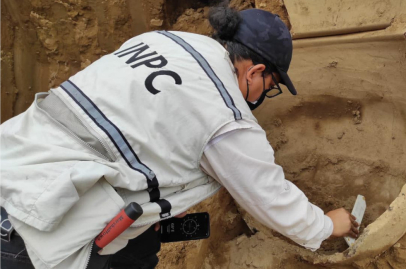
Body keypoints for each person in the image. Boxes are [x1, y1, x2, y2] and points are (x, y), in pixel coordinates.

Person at [0, 5, 358, 269]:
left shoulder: (159, 40)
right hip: (37, 226)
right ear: (257, 71)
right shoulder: (226, 115)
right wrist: (325, 225)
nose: (265, 94)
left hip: (12, 160)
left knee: (139, 252)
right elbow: (269, 195)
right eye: (271, 85)